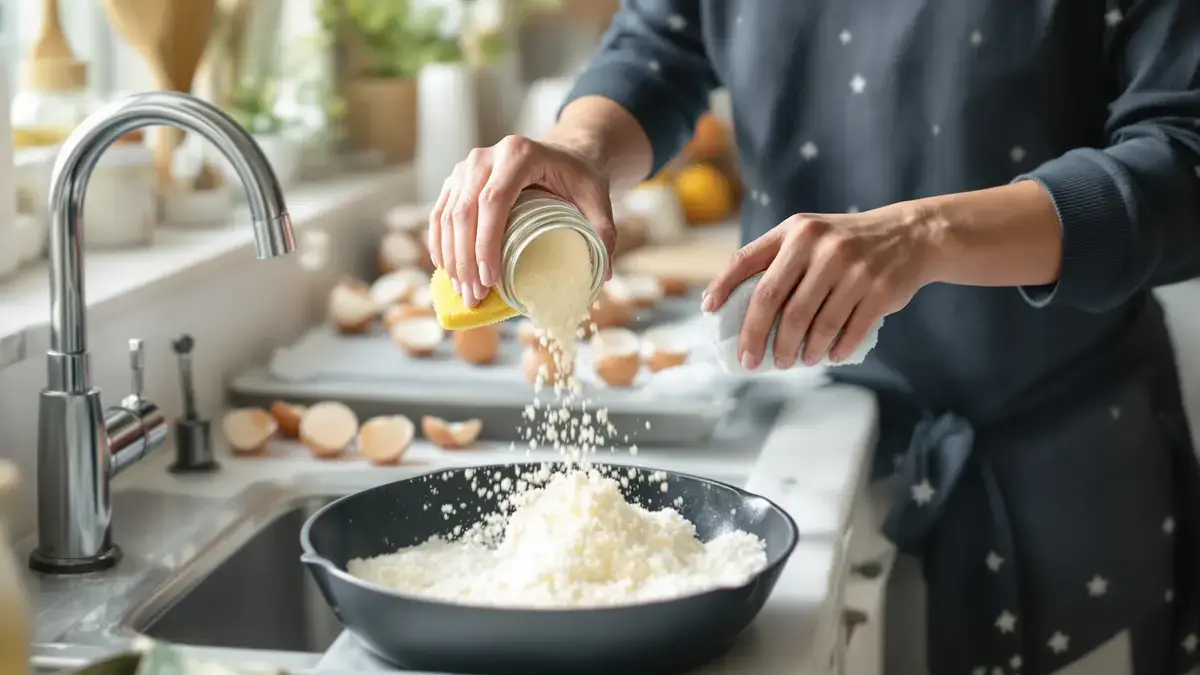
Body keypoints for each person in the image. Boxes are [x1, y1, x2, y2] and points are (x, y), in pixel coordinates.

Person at [427, 1, 1200, 673]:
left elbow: (1183, 155)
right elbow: (659, 46)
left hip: (1058, 470)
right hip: (809, 419)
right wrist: (578, 149)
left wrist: (925, 231)